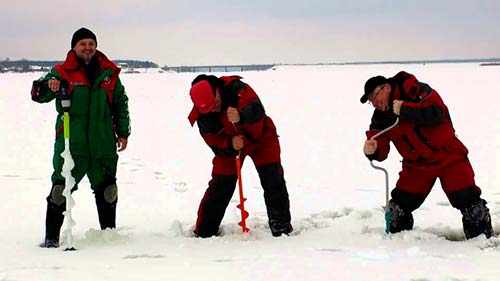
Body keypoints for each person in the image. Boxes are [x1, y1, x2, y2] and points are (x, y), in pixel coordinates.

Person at [360, 71, 494, 239]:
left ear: (386, 87)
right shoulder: (380, 118)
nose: (374, 103)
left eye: (374, 96)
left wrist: (405, 109)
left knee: (470, 203)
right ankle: (399, 251)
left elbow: (437, 112)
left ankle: (482, 246)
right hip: (417, 167)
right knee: (397, 210)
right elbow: (379, 146)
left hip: (449, 157)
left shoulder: (411, 88)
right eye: (370, 101)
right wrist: (372, 150)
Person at [31, 27, 131, 247]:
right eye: (82, 44)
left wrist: (123, 132)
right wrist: (48, 86)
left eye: (91, 44)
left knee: (108, 191)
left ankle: (108, 236)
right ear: (74, 47)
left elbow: (120, 103)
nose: (87, 48)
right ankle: (51, 239)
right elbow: (37, 94)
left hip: (102, 143)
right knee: (60, 190)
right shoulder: (61, 71)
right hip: (71, 144)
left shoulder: (109, 73)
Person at [187, 74, 292, 237]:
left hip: (262, 138)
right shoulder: (201, 116)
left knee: (273, 178)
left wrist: (241, 117)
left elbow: (258, 113)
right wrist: (230, 144)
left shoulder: (238, 89)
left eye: (215, 103)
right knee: (221, 184)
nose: (214, 109)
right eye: (209, 108)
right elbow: (215, 143)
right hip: (232, 146)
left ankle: (281, 226)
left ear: (216, 90)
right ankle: (205, 230)